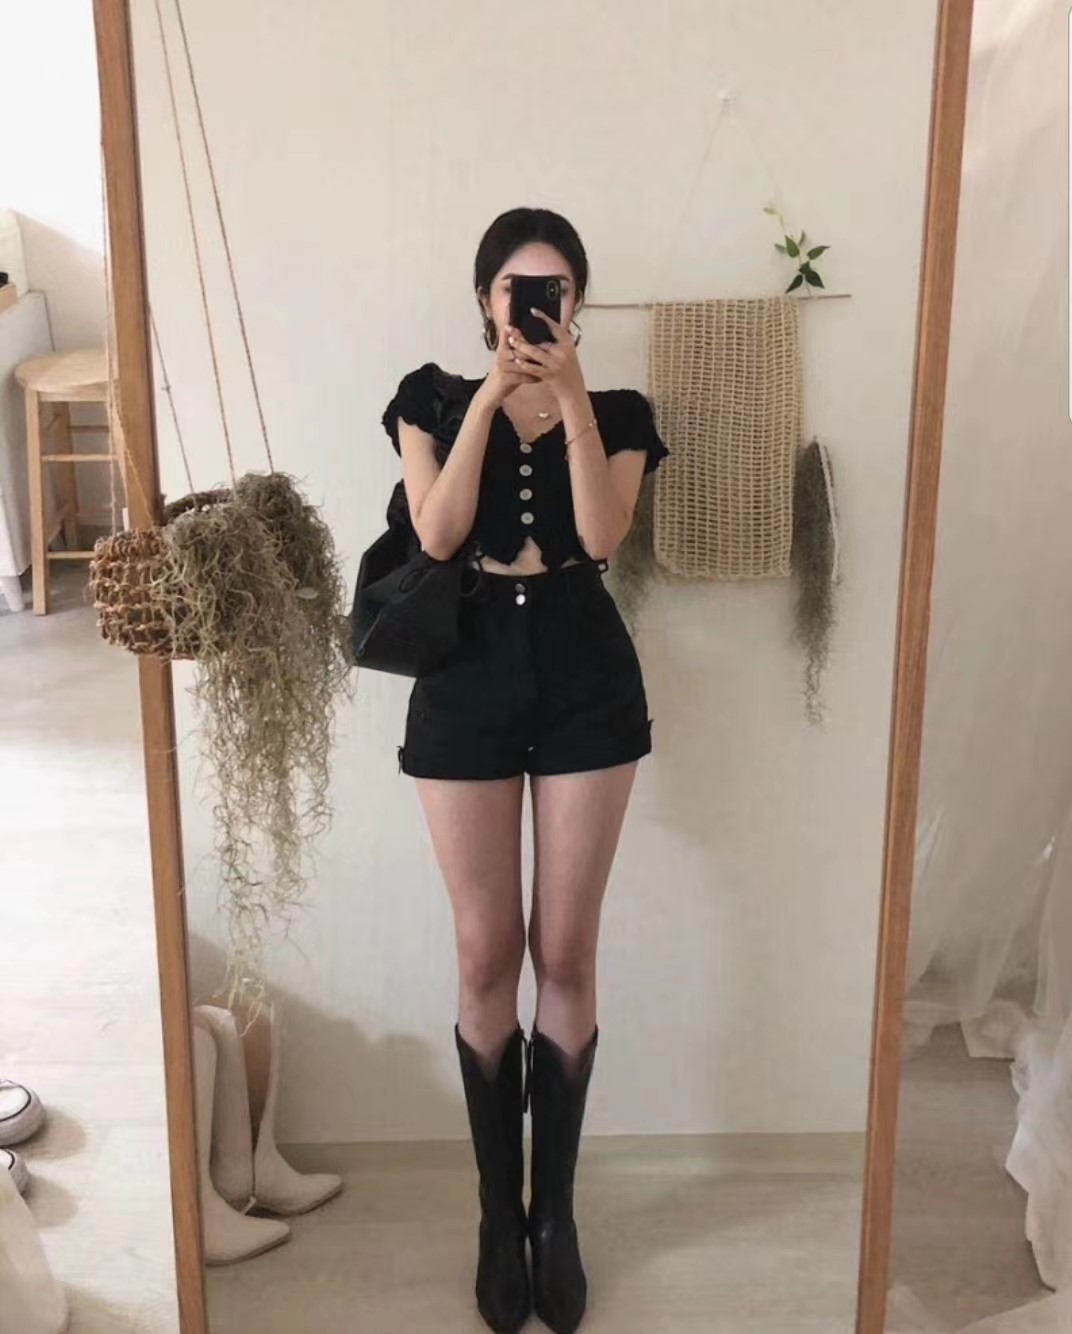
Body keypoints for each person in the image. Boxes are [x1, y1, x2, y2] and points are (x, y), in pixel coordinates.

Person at [380, 207, 669, 1334]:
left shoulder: (622, 412)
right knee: (483, 950)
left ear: (577, 304)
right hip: (465, 675)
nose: (536, 305)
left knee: (566, 951)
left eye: (555, 289)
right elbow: (438, 533)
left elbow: (599, 538)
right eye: (516, 288)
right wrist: (491, 399)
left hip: (585, 672)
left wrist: (573, 396)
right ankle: (498, 1219)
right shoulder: (429, 399)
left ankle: (558, 1218)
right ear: (485, 300)